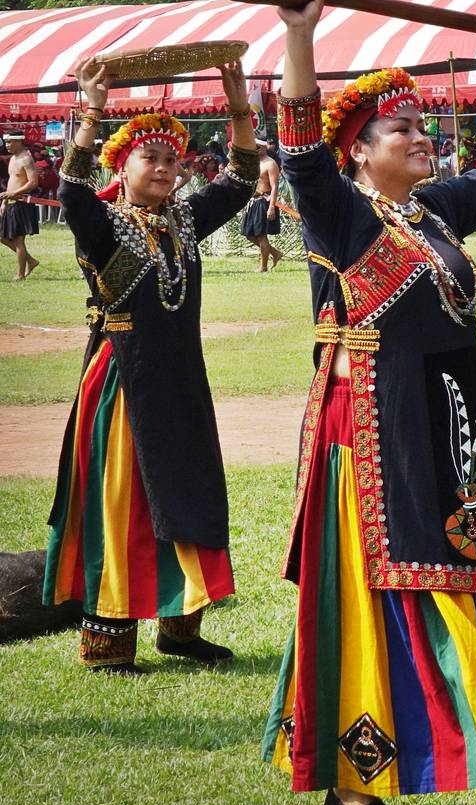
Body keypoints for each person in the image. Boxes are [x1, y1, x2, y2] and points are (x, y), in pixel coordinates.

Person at [264, 0, 476, 805]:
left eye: (420, 126)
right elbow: (297, 144)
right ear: (360, 153)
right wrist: (301, 35)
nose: (420, 137)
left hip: (456, 425)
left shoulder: (431, 211)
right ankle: (356, 784)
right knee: (391, 586)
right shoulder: (338, 216)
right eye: (401, 130)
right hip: (373, 427)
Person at [43, 58, 257, 672]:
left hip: (182, 379)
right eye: (150, 160)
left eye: (173, 162)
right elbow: (70, 190)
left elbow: (242, 177)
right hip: (124, 379)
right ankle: (108, 641)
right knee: (125, 500)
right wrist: (90, 110)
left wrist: (238, 102)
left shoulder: (185, 220)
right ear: (123, 165)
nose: (165, 170)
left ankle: (180, 630)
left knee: (189, 489)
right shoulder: (101, 225)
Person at [1, 131, 41, 280]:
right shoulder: (12, 158)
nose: (7, 145)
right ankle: (30, 260)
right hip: (11, 202)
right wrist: (5, 201)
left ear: (19, 142)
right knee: (3, 237)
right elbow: (12, 181)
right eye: (6, 142)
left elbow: (33, 182)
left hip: (22, 203)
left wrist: (13, 194)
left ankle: (20, 275)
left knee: (18, 240)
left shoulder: (26, 159)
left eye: (10, 142)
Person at [239, 141, 285, 271]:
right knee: (249, 234)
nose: (255, 150)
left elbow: (275, 186)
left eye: (257, 148)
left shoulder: (271, 164)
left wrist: (271, 206)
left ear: (264, 147)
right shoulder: (255, 163)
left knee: (261, 235)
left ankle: (263, 266)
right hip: (254, 201)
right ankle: (275, 252)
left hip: (265, 201)